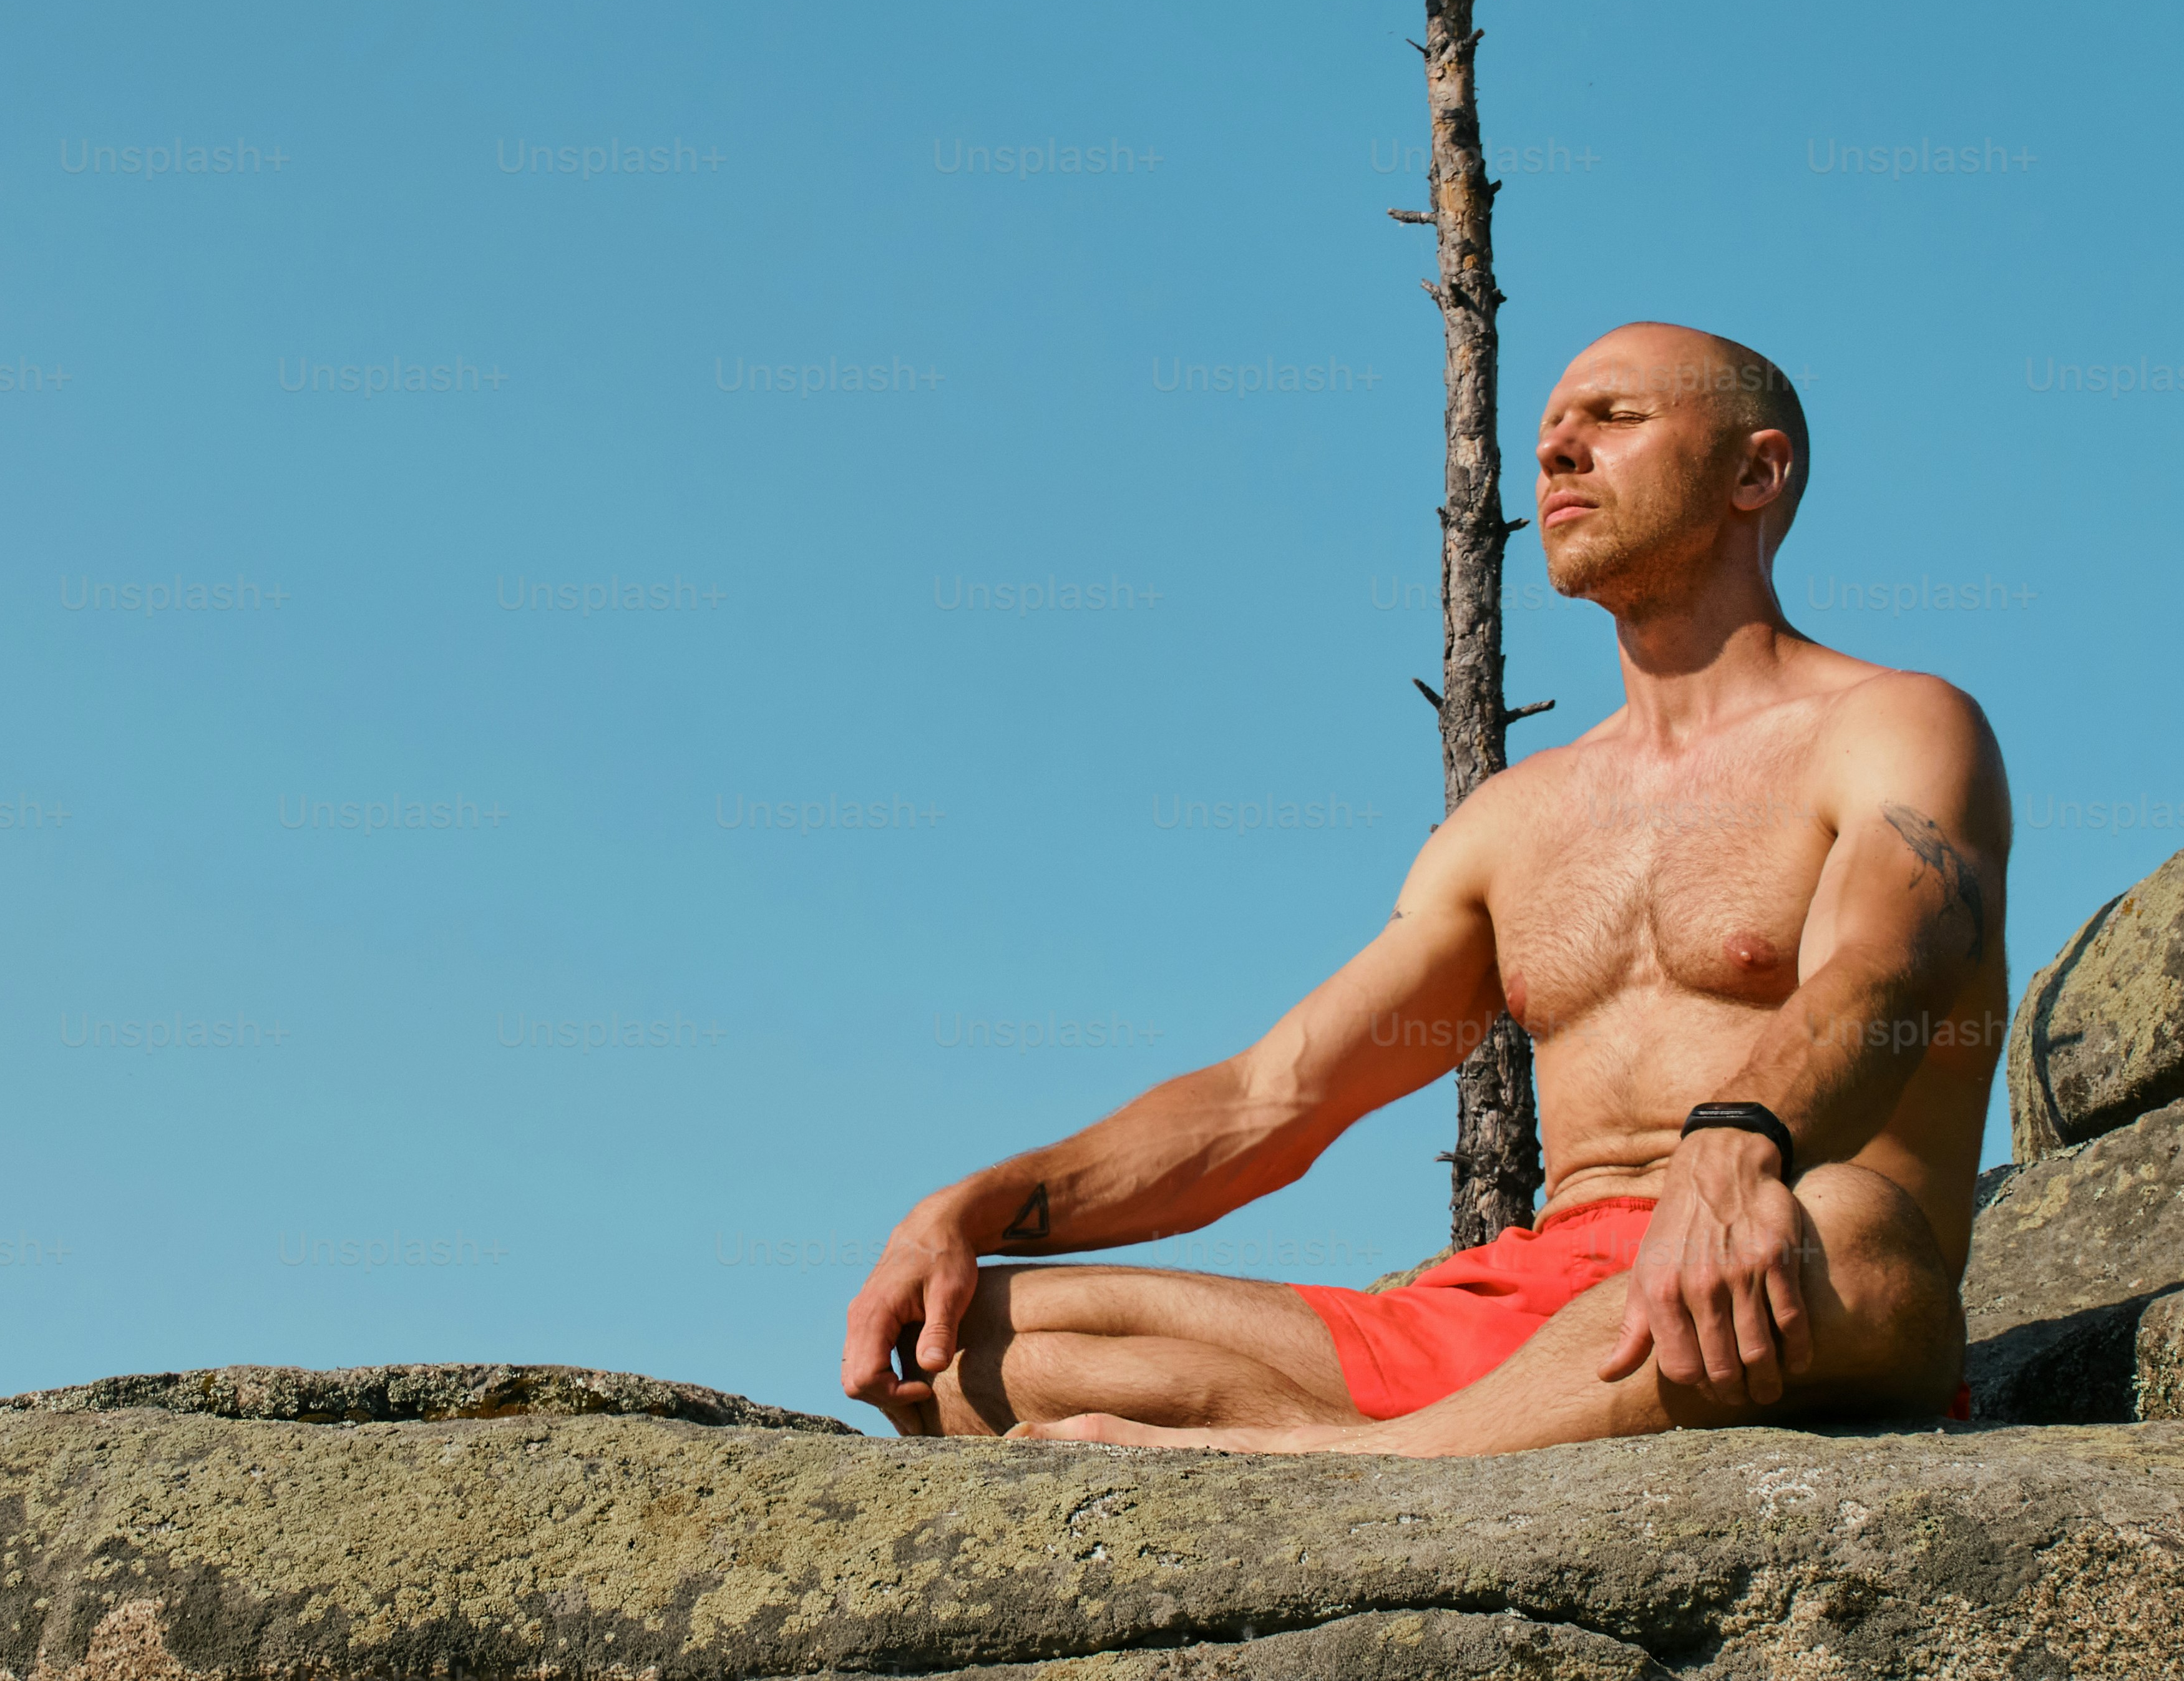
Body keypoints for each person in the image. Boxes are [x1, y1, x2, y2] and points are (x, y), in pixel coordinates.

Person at [841, 324, 2002, 1453]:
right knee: (972, 1334)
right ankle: (1414, 1441)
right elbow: (1268, 1102)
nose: (1555, 451)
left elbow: (1885, 963)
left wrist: (1738, 1138)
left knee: (1853, 1235)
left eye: (1616, 418)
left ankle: (1348, 1463)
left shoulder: (1892, 723)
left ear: (1758, 471)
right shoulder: (1517, 818)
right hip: (1517, 1319)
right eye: (1551, 429)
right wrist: (967, 1209)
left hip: (1768, 1275)